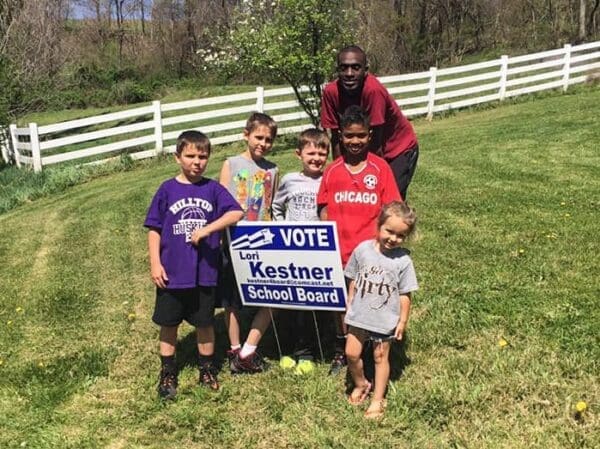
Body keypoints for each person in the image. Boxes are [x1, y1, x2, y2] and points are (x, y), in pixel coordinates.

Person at [144, 130, 244, 399]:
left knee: (205, 323)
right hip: (173, 272)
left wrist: (208, 229)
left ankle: (207, 369)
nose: (196, 162)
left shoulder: (212, 188)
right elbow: (153, 227)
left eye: (202, 156)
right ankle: (167, 371)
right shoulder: (167, 189)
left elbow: (236, 211)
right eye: (190, 156)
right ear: (178, 157)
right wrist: (155, 262)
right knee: (169, 323)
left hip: (204, 273)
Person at [316, 105, 401, 375]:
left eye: (361, 135)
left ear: (370, 135)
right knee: (342, 306)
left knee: (372, 302)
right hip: (340, 253)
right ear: (340, 135)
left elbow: (392, 210)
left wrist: (384, 247)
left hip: (371, 254)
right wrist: (326, 235)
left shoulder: (381, 169)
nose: (355, 141)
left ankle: (374, 349)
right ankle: (343, 350)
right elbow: (323, 206)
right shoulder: (332, 171)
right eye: (349, 136)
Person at [344, 201, 418, 419]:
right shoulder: (363, 250)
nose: (393, 239)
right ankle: (360, 383)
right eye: (389, 231)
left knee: (380, 357)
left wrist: (402, 321)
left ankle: (378, 399)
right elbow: (353, 279)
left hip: (385, 317)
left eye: (400, 235)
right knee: (351, 353)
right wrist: (350, 300)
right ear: (379, 225)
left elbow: (405, 294)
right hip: (359, 314)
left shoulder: (403, 260)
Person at [218, 112, 279, 373]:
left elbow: (272, 206)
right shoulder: (230, 164)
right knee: (231, 300)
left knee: (271, 296)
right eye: (258, 137)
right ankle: (234, 350)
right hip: (233, 241)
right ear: (246, 135)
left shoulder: (273, 169)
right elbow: (220, 203)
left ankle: (249, 349)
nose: (262, 143)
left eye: (268, 139)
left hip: (262, 241)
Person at [321, 45, 419, 200]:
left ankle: (402, 222)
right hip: (367, 144)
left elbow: (375, 143)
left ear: (365, 70)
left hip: (398, 149)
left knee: (388, 201)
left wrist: (365, 173)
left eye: (356, 68)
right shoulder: (331, 92)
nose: (349, 73)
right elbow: (335, 138)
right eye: (344, 68)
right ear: (337, 70)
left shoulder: (373, 90)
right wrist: (341, 173)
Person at [272, 128, 330, 361]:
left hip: (318, 249)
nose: (316, 158)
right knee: (289, 299)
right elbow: (276, 207)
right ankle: (288, 346)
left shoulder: (329, 179)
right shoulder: (289, 180)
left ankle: (311, 349)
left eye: (321, 153)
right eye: (311, 153)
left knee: (314, 302)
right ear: (299, 154)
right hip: (292, 248)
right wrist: (281, 228)